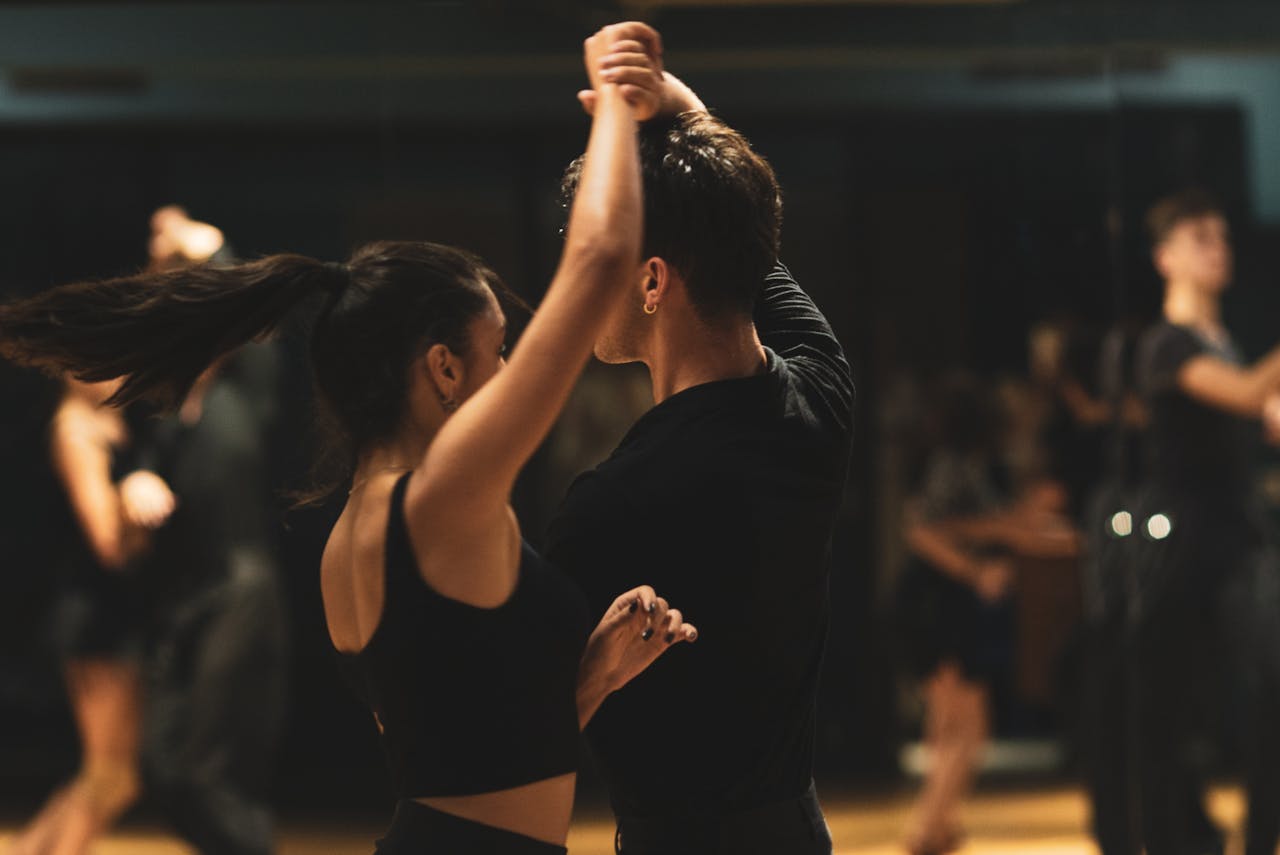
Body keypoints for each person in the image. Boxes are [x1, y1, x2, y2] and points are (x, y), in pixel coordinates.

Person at [0, 22, 696, 854]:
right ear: (442, 368)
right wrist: (619, 97)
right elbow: (600, 260)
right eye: (497, 350)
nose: (511, 366)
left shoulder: (347, 542)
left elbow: (469, 752)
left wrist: (591, 678)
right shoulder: (444, 497)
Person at [544, 71, 854, 855]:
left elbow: (510, 744)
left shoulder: (613, 503)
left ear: (652, 280)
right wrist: (674, 105)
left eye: (600, 257)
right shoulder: (820, 398)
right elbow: (737, 227)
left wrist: (590, 677)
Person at [131, 206, 289, 855]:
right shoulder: (171, 408)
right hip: (189, 597)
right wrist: (133, 479)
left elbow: (249, 310)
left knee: (205, 770)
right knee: (159, 765)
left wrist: (211, 243)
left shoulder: (248, 390)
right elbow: (146, 458)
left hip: (242, 590)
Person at [1132, 189, 1280, 855]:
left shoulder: (1223, 340)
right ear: (1165, 258)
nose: (1218, 249)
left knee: (1262, 689)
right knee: (1192, 702)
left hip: (1239, 537)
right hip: (1191, 545)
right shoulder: (1167, 344)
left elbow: (1257, 411)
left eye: (1222, 236)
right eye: (1200, 238)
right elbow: (1248, 393)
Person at [894, 372, 1076, 855]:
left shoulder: (956, 464)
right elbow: (925, 531)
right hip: (940, 605)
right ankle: (924, 829)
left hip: (937, 602)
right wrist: (976, 572)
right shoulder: (953, 465)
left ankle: (940, 826)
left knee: (948, 723)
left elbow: (988, 525)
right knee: (968, 727)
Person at [6, 378, 175, 855]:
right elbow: (108, 543)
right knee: (113, 778)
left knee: (106, 774)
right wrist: (133, 498)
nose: (116, 372)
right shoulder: (76, 428)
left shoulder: (105, 421)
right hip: (95, 613)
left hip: (103, 610)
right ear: (67, 368)